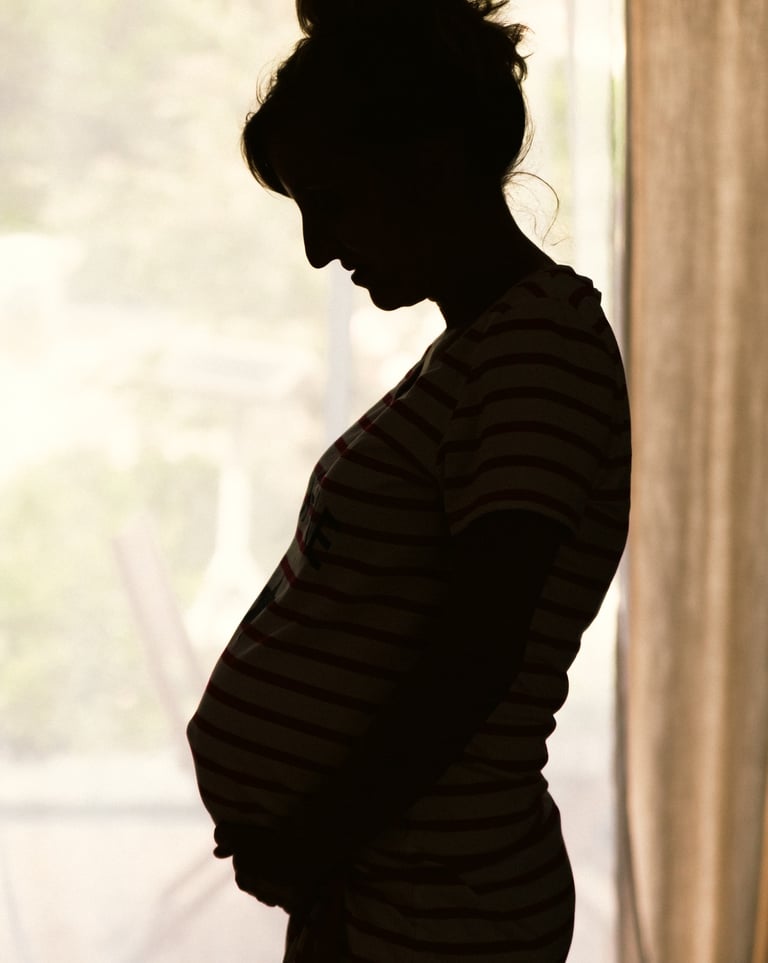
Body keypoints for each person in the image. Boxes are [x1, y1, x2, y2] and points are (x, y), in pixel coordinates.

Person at [186, 1, 632, 960]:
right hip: (394, 885)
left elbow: (477, 653)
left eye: (330, 199)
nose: (317, 247)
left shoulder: (538, 349)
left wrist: (319, 833)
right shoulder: (483, 352)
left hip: (444, 903)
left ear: (426, 166)